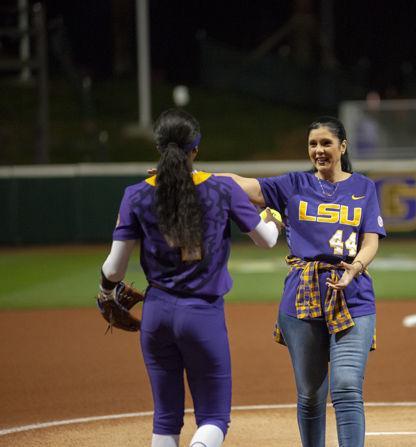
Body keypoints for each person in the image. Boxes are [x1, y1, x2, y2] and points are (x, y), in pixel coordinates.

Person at [98, 108, 281, 447]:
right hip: (202, 314)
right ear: (195, 149)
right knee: (213, 418)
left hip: (156, 314)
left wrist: (106, 291)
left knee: (165, 419)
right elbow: (267, 240)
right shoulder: (221, 188)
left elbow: (114, 269)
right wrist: (273, 217)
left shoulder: (136, 194)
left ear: (158, 148)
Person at [221, 116, 386, 447]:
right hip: (302, 297)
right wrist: (191, 175)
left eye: (326, 143)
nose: (319, 150)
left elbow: (370, 240)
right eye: (313, 144)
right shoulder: (292, 184)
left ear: (342, 146)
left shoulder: (363, 188)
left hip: (353, 296)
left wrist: (355, 267)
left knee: (347, 387)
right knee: (310, 395)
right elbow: (242, 184)